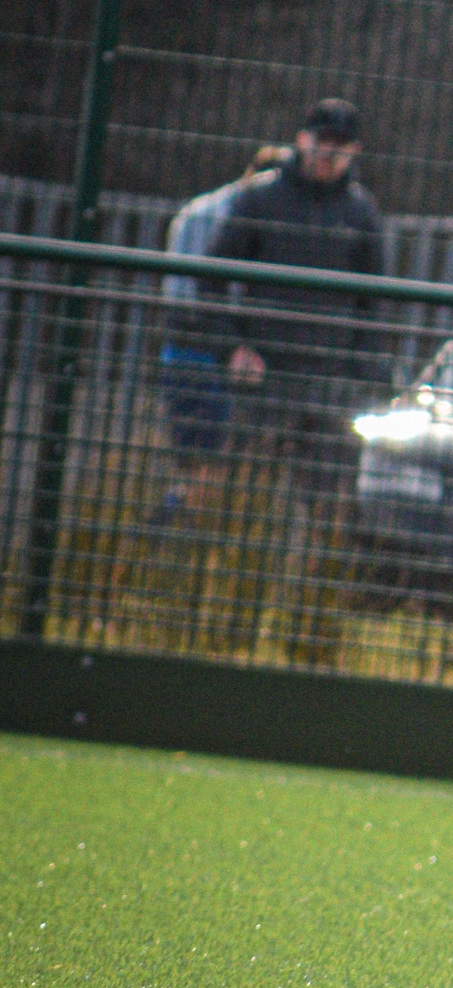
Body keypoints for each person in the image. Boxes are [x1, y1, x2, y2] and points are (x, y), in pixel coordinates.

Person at [206, 99, 388, 661]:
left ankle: (309, 649)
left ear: (352, 151)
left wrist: (363, 380)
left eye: (339, 144)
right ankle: (227, 641)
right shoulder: (259, 199)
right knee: (246, 516)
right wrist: (232, 347)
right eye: (320, 140)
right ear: (301, 140)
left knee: (329, 522)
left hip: (331, 393)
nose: (327, 152)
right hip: (265, 385)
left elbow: (373, 310)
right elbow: (210, 283)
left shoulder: (361, 214)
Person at [155, 142, 287, 521]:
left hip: (184, 348)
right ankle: (181, 523)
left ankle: (179, 519)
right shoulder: (228, 215)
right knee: (213, 461)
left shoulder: (199, 210)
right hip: (209, 353)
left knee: (201, 461)